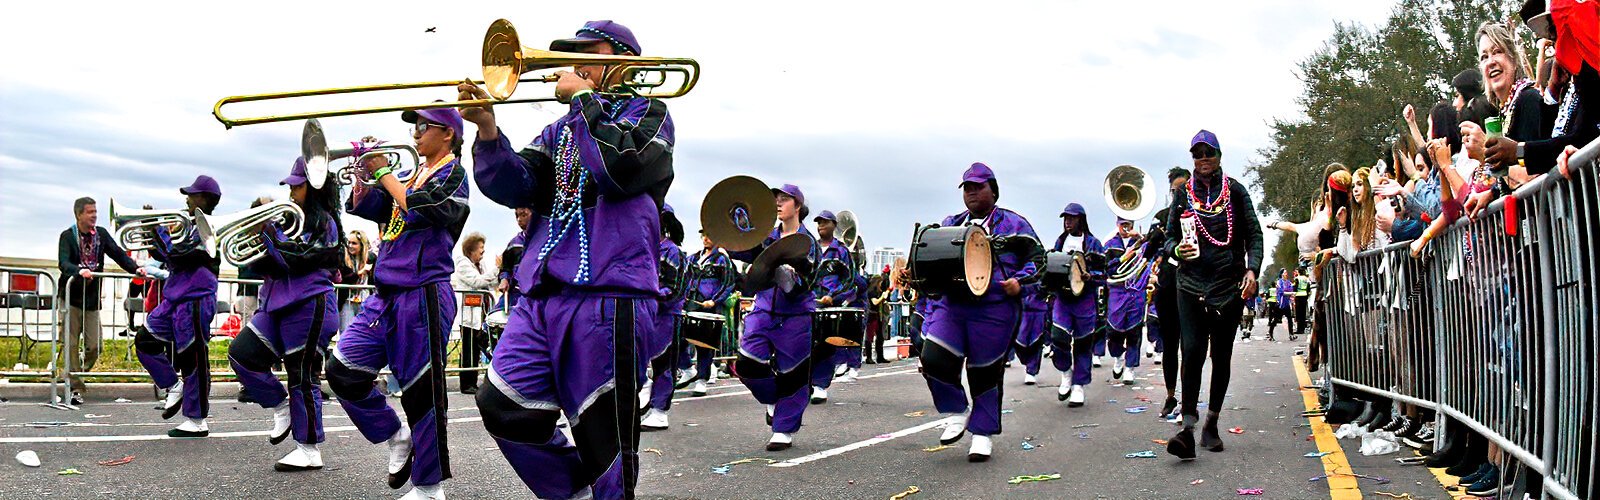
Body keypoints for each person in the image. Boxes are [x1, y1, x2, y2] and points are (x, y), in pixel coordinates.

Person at [461, 20, 674, 499]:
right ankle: (572, 492)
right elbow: (515, 186)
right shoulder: (557, 130)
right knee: (501, 404)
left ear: (621, 61)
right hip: (542, 297)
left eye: (585, 52)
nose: (568, 63)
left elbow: (622, 169)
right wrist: (489, 131)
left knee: (605, 440)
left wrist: (583, 103)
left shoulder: (652, 114)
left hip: (609, 296)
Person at [326, 106, 469, 499]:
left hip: (423, 294)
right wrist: (362, 174)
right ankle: (394, 434)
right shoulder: (408, 176)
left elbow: (423, 207)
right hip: (386, 294)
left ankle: (429, 487)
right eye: (416, 126)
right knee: (342, 370)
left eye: (425, 126)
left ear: (449, 134)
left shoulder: (454, 175)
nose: (417, 133)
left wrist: (383, 170)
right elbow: (371, 207)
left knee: (422, 392)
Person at [918, 163, 1043, 462]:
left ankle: (983, 434)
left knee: (984, 372)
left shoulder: (1015, 224)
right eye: (967, 188)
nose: (972, 192)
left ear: (993, 190)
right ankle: (957, 409)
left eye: (978, 186)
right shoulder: (951, 224)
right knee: (933, 358)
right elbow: (930, 261)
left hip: (995, 307)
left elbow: (1038, 259)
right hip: (953, 305)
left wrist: (1019, 282)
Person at [228, 157, 345, 472]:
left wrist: (268, 238)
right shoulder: (285, 220)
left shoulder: (327, 223)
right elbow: (260, 264)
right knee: (241, 355)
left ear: (314, 187)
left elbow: (301, 258)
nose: (292, 191)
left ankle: (309, 449)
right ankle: (280, 405)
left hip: (309, 304)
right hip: (277, 304)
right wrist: (257, 234)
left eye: (298, 185)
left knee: (302, 377)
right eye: (291, 185)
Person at [1163, 130, 1264, 460]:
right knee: (1191, 350)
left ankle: (1212, 423)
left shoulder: (1235, 191)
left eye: (1208, 153)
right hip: (1190, 285)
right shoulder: (1183, 195)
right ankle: (1187, 428)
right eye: (1197, 154)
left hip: (1227, 287)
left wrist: (1252, 270)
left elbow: (1254, 234)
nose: (1203, 158)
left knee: (1221, 355)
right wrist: (1176, 249)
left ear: (1219, 156)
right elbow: (1167, 239)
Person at [726, 183, 819, 451]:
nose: (778, 203)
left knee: (794, 374)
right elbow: (740, 247)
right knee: (747, 364)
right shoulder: (766, 236)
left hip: (796, 314)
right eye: (776, 199)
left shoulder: (808, 242)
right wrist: (734, 225)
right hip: (763, 309)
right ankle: (772, 398)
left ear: (798, 206)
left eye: (785, 199)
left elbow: (806, 281)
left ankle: (783, 429)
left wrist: (788, 275)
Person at [136, 175, 222, 437]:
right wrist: (152, 232)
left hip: (196, 298)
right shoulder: (188, 226)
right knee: (144, 340)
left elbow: (182, 254)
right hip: (175, 297)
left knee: (193, 359)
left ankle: (197, 420)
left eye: (193, 195)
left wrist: (158, 231)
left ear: (205, 199)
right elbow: (166, 255)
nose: (187, 198)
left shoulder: (210, 227)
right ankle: (173, 386)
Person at [56, 197, 144, 404]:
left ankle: (73, 375)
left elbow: (118, 254)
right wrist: (79, 271)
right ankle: (74, 387)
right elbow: (63, 262)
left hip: (92, 299)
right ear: (79, 215)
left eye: (95, 211)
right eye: (89, 212)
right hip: (70, 297)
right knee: (70, 344)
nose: (94, 215)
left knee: (95, 346)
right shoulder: (67, 236)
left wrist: (135, 269)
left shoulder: (101, 235)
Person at [1048, 202, 1104, 407]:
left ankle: (1079, 386)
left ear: (1082, 219)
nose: (1067, 222)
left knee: (1082, 344)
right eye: (1065, 218)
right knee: (1058, 338)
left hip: (1085, 301)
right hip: (1063, 300)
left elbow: (1103, 272)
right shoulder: (1059, 242)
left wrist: (1091, 276)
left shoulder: (1094, 243)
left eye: (1071, 218)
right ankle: (1066, 373)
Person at [641, 205, 686, 431]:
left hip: (666, 316)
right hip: (643, 314)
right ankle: (646, 402)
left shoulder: (671, 251)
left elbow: (673, 288)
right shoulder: (642, 248)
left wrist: (649, 295)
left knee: (664, 363)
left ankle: (660, 411)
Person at [1152, 169, 1190, 420]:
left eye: (1184, 188)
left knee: (1190, 346)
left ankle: (1187, 399)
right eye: (1175, 190)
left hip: (1190, 285)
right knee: (1170, 345)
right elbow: (1151, 251)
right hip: (1166, 286)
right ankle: (1170, 395)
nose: (1180, 193)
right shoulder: (1162, 218)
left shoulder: (1201, 214)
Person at [809, 210, 858, 401]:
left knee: (826, 345)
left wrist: (833, 296)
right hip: (810, 304)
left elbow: (849, 280)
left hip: (830, 306)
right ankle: (807, 383)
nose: (821, 225)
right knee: (807, 344)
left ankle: (820, 384)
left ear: (833, 226)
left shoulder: (842, 251)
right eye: (818, 222)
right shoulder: (810, 248)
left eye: (825, 222)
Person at [681, 229, 735, 395]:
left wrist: (714, 300)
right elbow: (685, 278)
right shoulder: (693, 257)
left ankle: (701, 379)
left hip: (709, 305)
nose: (705, 238)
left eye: (709, 234)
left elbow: (728, 284)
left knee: (705, 343)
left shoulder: (722, 260)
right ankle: (687, 367)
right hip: (691, 302)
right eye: (703, 235)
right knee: (679, 338)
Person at [1104, 217, 1153, 384]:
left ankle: (1130, 368)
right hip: (1117, 290)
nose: (1126, 226)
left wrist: (1140, 239)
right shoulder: (1110, 244)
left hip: (1136, 290)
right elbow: (1107, 269)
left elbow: (1154, 251)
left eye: (1128, 223)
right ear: (1117, 224)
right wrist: (1123, 258)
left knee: (1134, 331)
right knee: (1114, 331)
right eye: (1122, 223)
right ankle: (1118, 356)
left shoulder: (1140, 241)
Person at [452, 232, 499, 395]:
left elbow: (491, 282)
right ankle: (467, 384)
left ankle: (475, 380)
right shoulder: (463, 264)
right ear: (471, 250)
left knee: (479, 347)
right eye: (480, 249)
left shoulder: (482, 265)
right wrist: (497, 268)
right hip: (469, 316)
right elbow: (477, 282)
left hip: (481, 315)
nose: (483, 253)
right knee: (469, 349)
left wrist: (498, 274)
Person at [338, 230, 375, 329]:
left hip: (365, 300)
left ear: (362, 245)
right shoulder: (343, 258)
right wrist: (360, 273)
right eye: (349, 242)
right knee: (346, 330)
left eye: (354, 243)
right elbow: (343, 279)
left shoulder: (371, 258)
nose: (350, 245)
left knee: (364, 330)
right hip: (347, 300)